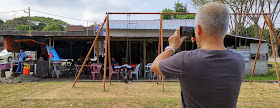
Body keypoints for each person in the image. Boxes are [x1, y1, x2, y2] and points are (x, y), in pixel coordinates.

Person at [151, 2, 245, 108]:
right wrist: (201, 42)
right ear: (225, 30)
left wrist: (172, 47)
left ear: (198, 29)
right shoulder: (239, 61)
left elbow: (155, 66)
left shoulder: (184, 59)